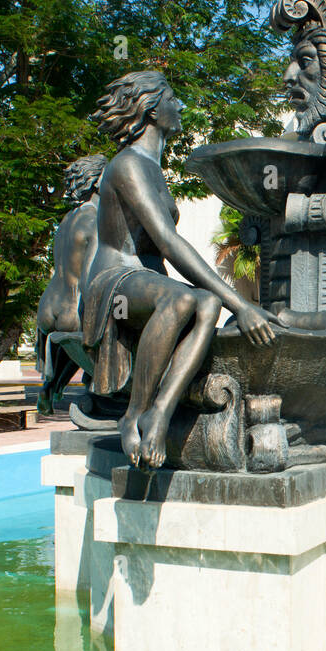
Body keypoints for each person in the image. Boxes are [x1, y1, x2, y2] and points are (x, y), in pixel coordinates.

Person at [81, 70, 280, 470]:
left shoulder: (153, 169)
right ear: (152, 109)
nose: (181, 105)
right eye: (173, 98)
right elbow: (169, 244)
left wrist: (226, 304)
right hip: (114, 282)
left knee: (207, 303)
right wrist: (241, 305)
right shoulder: (127, 166)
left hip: (148, 281)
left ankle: (160, 411)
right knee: (185, 297)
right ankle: (134, 414)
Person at [35, 154, 107, 415]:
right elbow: (91, 278)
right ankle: (101, 390)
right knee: (117, 320)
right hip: (73, 306)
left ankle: (50, 385)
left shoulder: (66, 221)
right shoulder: (98, 220)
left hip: (48, 305)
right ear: (99, 180)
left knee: (68, 343)